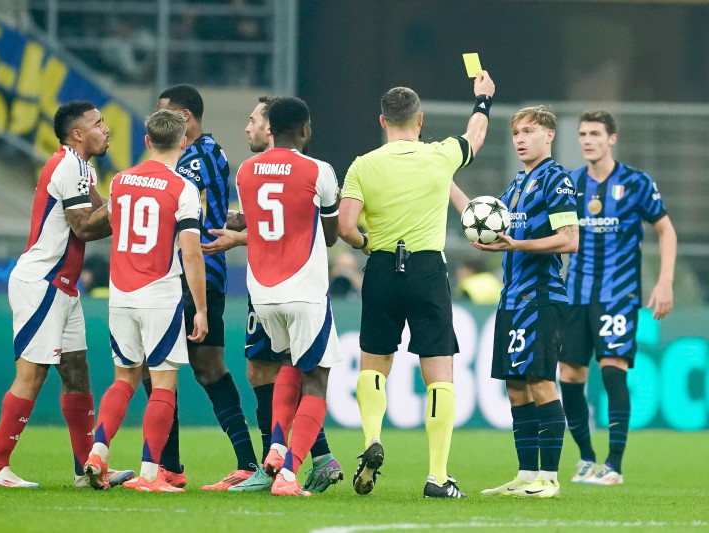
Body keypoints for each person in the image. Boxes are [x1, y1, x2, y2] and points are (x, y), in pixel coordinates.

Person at [338, 74, 495, 499]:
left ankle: (372, 438)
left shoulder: (363, 164)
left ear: (382, 121)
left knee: (374, 365)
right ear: (420, 119)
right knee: (439, 374)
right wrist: (482, 99)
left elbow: (345, 226)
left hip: (382, 267)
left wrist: (366, 243)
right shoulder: (441, 155)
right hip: (427, 270)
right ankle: (437, 476)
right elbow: (475, 135)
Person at [0, 101, 133, 488]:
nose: (106, 129)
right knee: (31, 375)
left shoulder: (82, 168)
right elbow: (84, 227)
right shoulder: (69, 167)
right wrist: (124, 204)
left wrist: (128, 203)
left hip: (64, 287)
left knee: (76, 373)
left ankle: (86, 470)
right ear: (77, 134)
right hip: (43, 282)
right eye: (98, 123)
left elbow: (103, 212)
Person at [203, 96, 344, 493]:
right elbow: (330, 236)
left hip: (263, 292)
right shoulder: (319, 170)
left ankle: (277, 449)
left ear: (270, 129)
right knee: (316, 379)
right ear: (305, 129)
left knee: (286, 365)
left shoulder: (246, 171)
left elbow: (259, 223)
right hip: (304, 290)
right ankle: (289, 473)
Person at [83, 109, 208, 492]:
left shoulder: (121, 181)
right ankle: (151, 474)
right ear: (183, 142)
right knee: (164, 383)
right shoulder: (183, 188)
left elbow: (115, 224)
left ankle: (98, 453)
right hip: (160, 294)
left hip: (121, 294)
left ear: (147, 141)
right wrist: (201, 308)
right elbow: (191, 253)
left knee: (123, 378)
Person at [559, 110, 677, 485]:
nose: (587, 140)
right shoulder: (571, 183)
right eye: (582, 134)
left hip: (618, 293)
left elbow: (666, 231)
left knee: (613, 368)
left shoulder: (636, 182)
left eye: (595, 133)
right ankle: (586, 458)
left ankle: (614, 465)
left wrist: (665, 282)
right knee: (569, 374)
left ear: (612, 139)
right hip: (575, 292)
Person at [152, 84, 259, 490]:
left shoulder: (196, 157)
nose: (157, 121)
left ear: (184, 117)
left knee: (173, 367)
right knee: (198, 367)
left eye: (164, 113)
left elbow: (171, 204)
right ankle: (183, 465)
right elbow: (205, 210)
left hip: (191, 273)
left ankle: (176, 466)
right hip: (192, 272)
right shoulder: (208, 152)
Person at [471, 105, 578, 499]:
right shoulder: (517, 183)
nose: (520, 139)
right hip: (512, 299)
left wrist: (519, 244)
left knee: (541, 382)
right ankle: (526, 473)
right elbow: (485, 218)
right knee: (516, 387)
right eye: (516, 133)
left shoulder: (556, 179)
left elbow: (569, 239)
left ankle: (549, 478)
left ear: (549, 136)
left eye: (529, 131)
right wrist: (446, 183)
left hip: (542, 298)